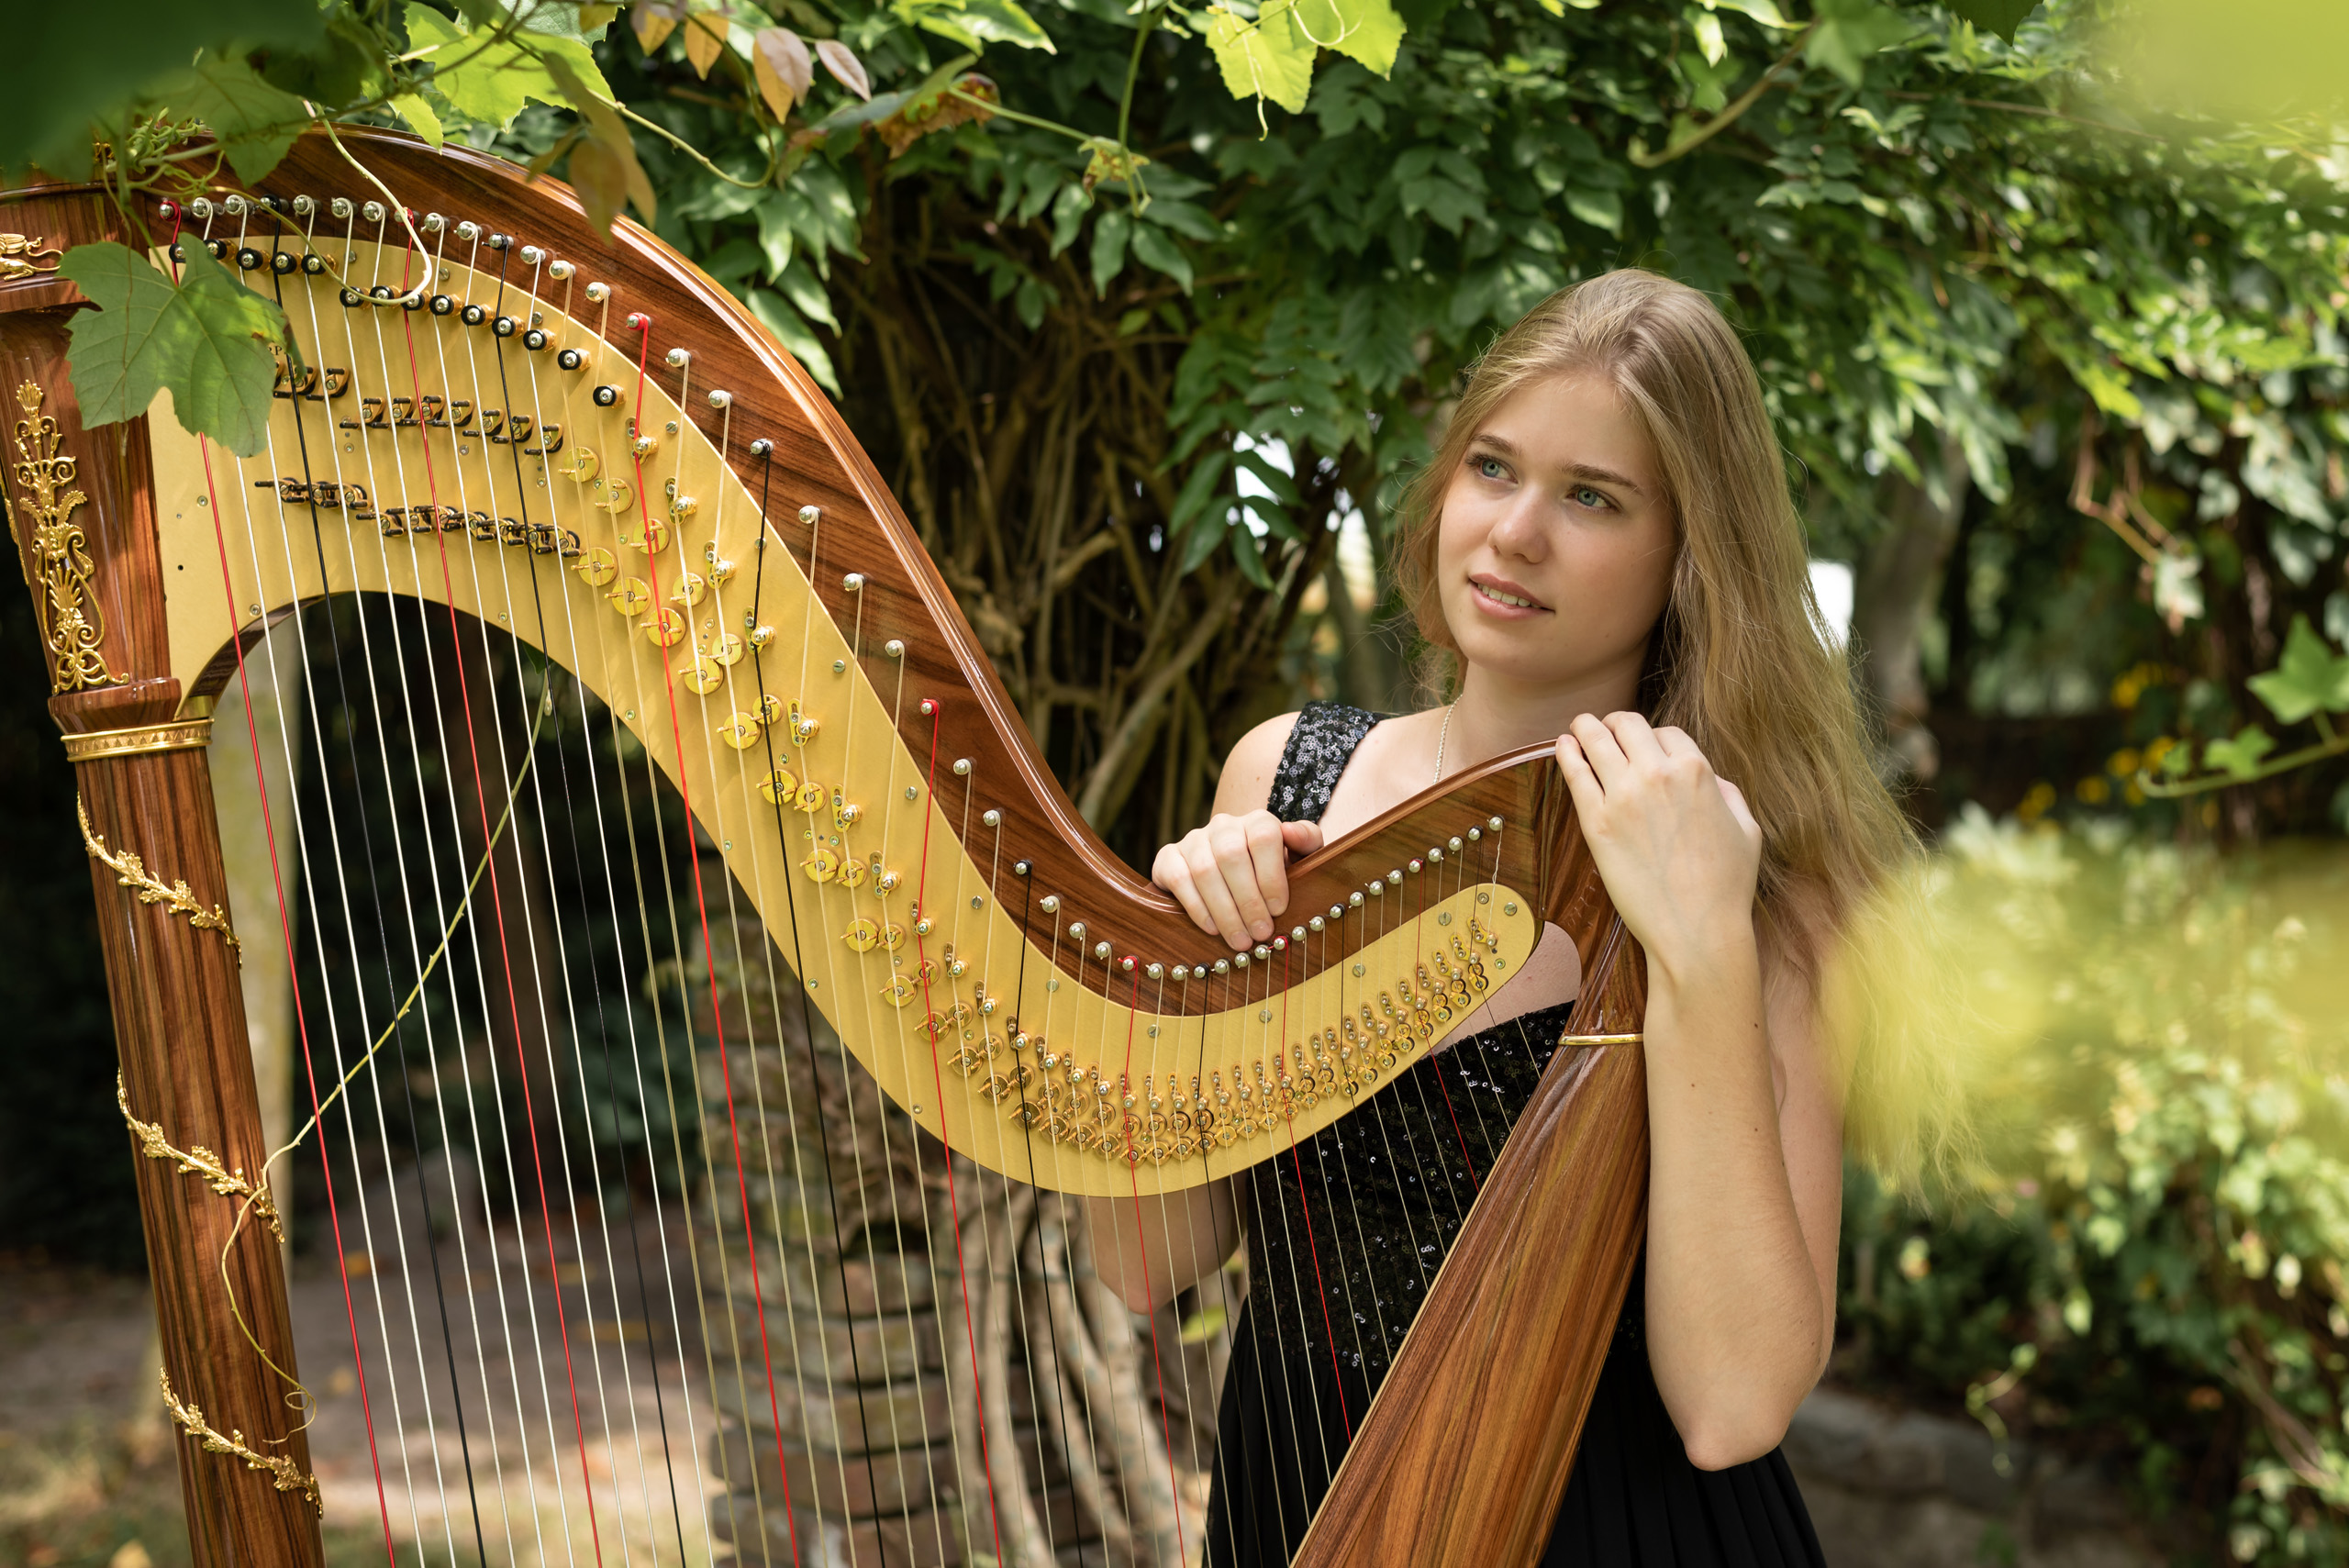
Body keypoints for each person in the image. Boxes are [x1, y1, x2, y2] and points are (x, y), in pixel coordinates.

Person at [1085, 268, 1919, 1564]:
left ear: (1690, 556)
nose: (1516, 531)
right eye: (1493, 467)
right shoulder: (1284, 782)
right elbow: (1143, 1257)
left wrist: (1701, 953)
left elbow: (1733, 1403)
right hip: (1296, 1512)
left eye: (1592, 497)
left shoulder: (1753, 877)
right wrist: (1187, 977)